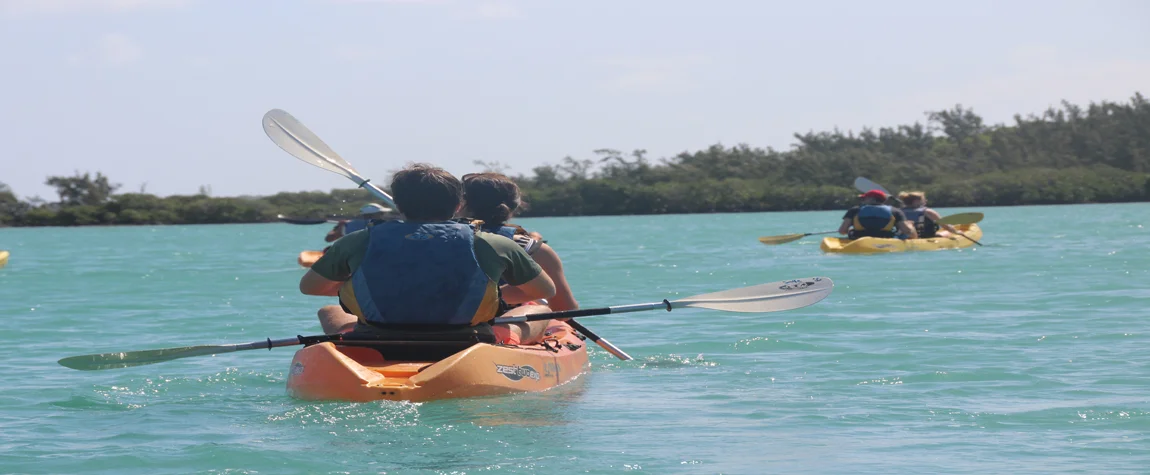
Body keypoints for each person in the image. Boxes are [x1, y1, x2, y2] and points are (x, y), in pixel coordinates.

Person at [299, 164, 558, 345]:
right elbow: (544, 291)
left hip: (377, 336)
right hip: (469, 337)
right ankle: (506, 342)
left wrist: (371, 286)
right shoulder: (494, 243)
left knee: (329, 310)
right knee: (538, 309)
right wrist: (493, 295)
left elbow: (310, 287)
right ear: (458, 206)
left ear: (398, 205)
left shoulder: (357, 240)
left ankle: (349, 339)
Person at [459, 172, 578, 312]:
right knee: (543, 310)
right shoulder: (536, 250)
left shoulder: (439, 241)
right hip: (503, 323)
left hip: (445, 321)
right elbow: (564, 310)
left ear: (461, 204)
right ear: (515, 205)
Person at [838, 189, 917, 239]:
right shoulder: (895, 211)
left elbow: (842, 231)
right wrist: (910, 225)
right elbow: (907, 232)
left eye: (864, 198)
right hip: (886, 240)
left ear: (872, 199)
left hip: (858, 238)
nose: (862, 201)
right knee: (909, 225)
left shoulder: (854, 210)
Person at [325, 203, 393, 242]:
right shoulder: (385, 226)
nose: (383, 215)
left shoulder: (349, 225)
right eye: (381, 213)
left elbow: (329, 239)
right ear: (370, 215)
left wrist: (340, 227)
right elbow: (328, 239)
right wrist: (340, 227)